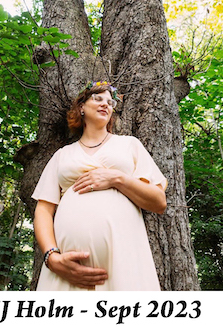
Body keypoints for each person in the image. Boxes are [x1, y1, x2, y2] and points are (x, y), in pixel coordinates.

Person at [31, 81, 167, 291]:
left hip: (123, 259)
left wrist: (116, 178)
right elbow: (43, 210)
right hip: (66, 270)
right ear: (81, 107)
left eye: (110, 102)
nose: (106, 104)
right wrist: (52, 258)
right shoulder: (62, 155)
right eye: (98, 98)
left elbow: (159, 202)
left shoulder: (129, 145)